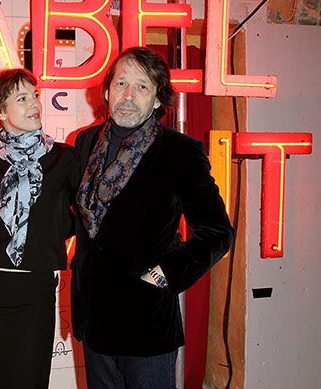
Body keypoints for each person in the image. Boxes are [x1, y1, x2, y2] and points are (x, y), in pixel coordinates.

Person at [71, 47, 234, 388]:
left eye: (142, 87)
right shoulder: (86, 141)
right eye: (121, 84)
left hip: (145, 321)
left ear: (158, 99)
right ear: (106, 91)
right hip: (94, 319)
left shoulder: (180, 151)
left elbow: (217, 232)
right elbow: (88, 221)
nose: (128, 96)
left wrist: (165, 277)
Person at [0, 68, 78, 389]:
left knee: (28, 379)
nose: (35, 104)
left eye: (35, 95)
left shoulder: (65, 159)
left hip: (32, 291)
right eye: (22, 98)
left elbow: (86, 214)